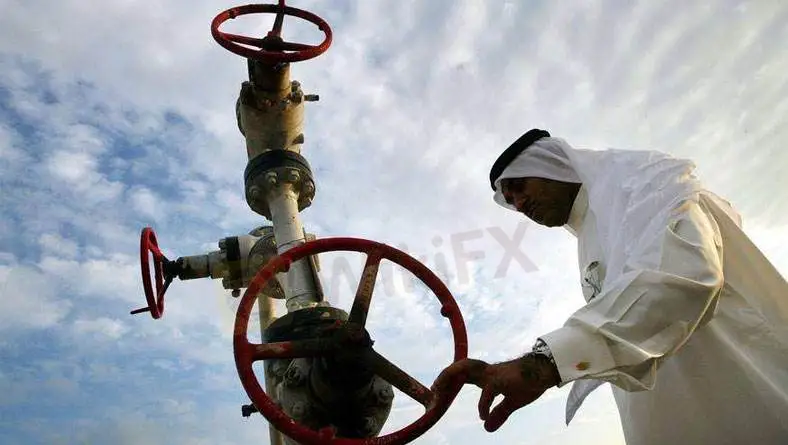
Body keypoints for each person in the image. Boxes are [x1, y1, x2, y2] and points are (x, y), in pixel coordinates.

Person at [432, 129, 788, 444]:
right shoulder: (589, 236)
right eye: (509, 201)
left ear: (551, 164)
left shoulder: (645, 182)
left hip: (754, 406)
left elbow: (686, 275)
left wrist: (543, 365)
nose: (519, 205)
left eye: (520, 187)